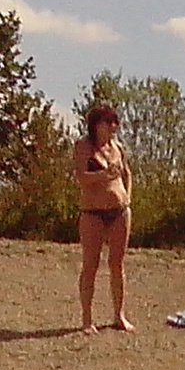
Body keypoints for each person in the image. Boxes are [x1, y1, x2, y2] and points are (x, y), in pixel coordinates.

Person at [74, 104, 133, 333]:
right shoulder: (83, 146)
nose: (112, 126)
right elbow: (81, 177)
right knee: (91, 264)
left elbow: (126, 173)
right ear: (96, 124)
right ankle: (87, 319)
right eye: (108, 122)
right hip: (92, 212)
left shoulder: (118, 147)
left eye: (114, 122)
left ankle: (119, 315)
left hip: (119, 211)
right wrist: (103, 175)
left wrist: (127, 196)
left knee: (117, 264)